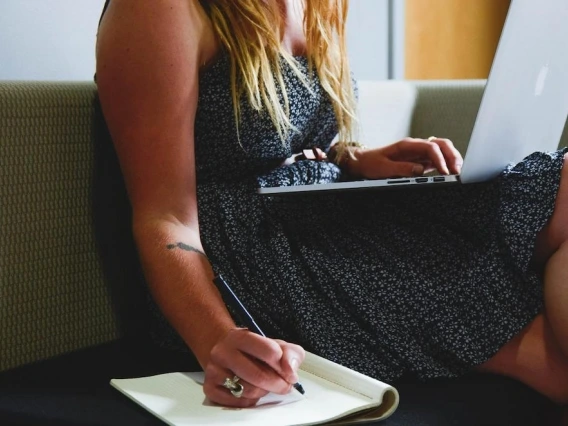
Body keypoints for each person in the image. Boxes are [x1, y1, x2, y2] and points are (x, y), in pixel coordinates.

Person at [95, 0, 568, 411]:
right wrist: (215, 339)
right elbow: (166, 217)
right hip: (247, 259)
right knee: (550, 358)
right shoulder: (160, 10)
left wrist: (357, 161)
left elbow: (285, 139)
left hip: (319, 212)